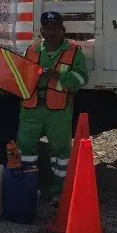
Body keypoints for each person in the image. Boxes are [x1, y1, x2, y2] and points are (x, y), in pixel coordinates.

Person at [16, 10, 89, 198]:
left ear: (62, 30)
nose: (50, 33)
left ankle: (58, 191)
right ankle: (27, 185)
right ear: (41, 30)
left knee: (60, 152)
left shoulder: (74, 52)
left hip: (58, 111)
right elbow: (20, 78)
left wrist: (55, 75)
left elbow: (81, 80)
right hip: (31, 109)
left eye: (54, 28)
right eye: (46, 28)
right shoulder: (31, 51)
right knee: (25, 149)